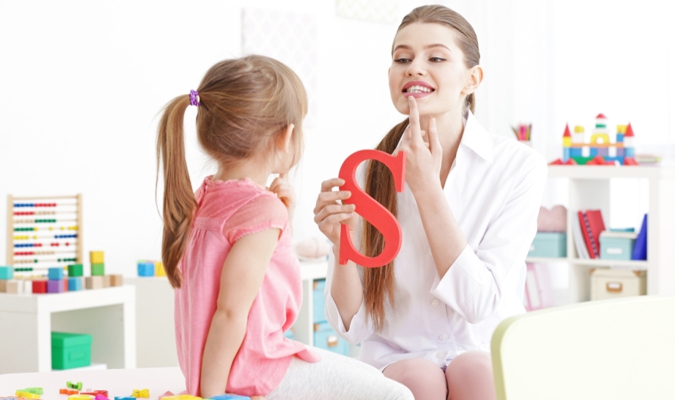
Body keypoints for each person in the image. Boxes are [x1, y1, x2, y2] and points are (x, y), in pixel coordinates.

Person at [313, 5, 547, 400]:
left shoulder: (518, 167)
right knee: (418, 380)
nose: (414, 68)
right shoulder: (368, 173)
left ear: (472, 79)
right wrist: (341, 247)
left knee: (475, 370)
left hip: (483, 351)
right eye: (402, 59)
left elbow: (478, 304)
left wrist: (426, 191)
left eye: (435, 58)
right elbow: (353, 326)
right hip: (400, 359)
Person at [157, 55, 414, 400]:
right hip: (254, 372)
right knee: (395, 396)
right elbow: (230, 312)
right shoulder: (260, 209)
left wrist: (284, 219)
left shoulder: (203, 199)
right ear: (286, 136)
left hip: (232, 366)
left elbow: (251, 285)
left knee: (366, 376)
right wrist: (210, 396)